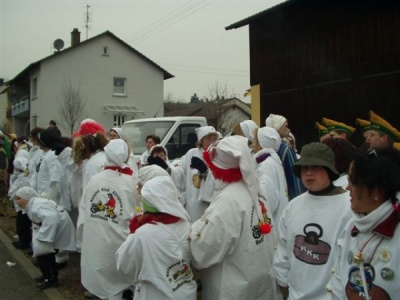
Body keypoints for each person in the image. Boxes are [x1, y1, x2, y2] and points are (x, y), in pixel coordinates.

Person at [190, 135, 280, 299]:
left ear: (217, 169)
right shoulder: (255, 189)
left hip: (234, 289)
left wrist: (195, 229)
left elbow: (203, 252)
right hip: (258, 283)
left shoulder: (228, 202)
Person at [270, 142, 352, 299]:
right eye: (305, 168)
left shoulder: (348, 206)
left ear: (329, 169)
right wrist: (284, 284)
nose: (308, 173)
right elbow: (282, 249)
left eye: (316, 167)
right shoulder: (293, 206)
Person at [327, 147, 400, 299]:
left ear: (377, 191)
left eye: (352, 181)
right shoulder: (351, 226)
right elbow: (337, 283)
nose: (347, 188)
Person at [116, 175, 197, 299]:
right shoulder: (185, 223)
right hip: (184, 291)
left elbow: (124, 266)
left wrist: (133, 234)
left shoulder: (144, 234)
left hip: (156, 294)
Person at [77, 139, 138, 299]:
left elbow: (83, 213)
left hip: (98, 244)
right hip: (119, 243)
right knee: (119, 283)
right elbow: (137, 214)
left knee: (105, 285)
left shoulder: (94, 180)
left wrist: (82, 240)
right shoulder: (132, 181)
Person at [15, 187, 76, 290]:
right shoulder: (34, 204)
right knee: (43, 254)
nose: (17, 202)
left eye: (19, 199)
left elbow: (51, 218)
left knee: (45, 254)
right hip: (53, 227)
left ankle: (51, 279)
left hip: (56, 228)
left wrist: (44, 237)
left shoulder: (37, 206)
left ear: (26, 198)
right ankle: (47, 275)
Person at [175, 126, 219, 222]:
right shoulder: (192, 154)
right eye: (208, 139)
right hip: (193, 203)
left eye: (214, 139)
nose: (212, 141)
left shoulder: (219, 155)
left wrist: (206, 173)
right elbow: (180, 173)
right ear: (201, 141)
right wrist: (168, 170)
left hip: (213, 202)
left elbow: (221, 179)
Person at [253, 127, 288, 235]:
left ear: (261, 143)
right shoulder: (273, 160)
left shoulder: (266, 166)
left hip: (272, 229)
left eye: (255, 140)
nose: (253, 143)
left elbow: (268, 201)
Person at [266, 113, 306, 200]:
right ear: (278, 128)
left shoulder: (266, 148)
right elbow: (294, 180)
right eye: (285, 127)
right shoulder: (285, 150)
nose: (288, 130)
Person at [8, 157, 31, 249]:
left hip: (23, 205)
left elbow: (16, 190)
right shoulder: (23, 176)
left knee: (23, 224)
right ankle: (23, 241)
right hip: (20, 204)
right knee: (21, 223)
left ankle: (24, 242)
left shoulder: (24, 178)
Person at [0, 133, 9, 217]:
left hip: (1, 176)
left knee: (2, 192)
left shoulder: (1, 152)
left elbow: (2, 165)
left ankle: (4, 211)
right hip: (2, 175)